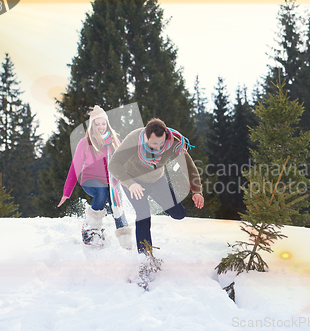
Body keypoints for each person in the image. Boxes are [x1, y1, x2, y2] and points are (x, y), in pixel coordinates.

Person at [108, 118, 204, 253]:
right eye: (154, 143)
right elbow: (114, 163)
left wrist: (197, 191)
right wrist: (130, 184)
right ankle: (145, 257)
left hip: (157, 180)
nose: (159, 147)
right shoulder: (134, 139)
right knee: (143, 214)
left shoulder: (174, 143)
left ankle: (156, 198)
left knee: (179, 214)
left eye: (161, 143)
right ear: (146, 137)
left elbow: (188, 166)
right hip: (134, 182)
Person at [58, 105, 132, 249]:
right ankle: (90, 228)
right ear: (92, 125)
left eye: (103, 123)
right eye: (97, 124)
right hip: (91, 180)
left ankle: (126, 242)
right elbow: (75, 168)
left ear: (107, 124)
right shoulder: (85, 142)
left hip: (112, 181)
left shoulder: (115, 142)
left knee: (117, 205)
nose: (101, 127)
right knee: (101, 192)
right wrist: (66, 193)